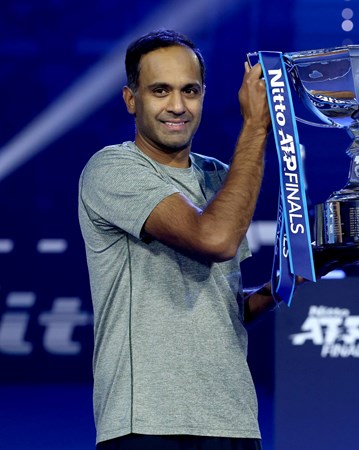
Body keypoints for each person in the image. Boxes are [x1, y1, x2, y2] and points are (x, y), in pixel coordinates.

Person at [78, 29, 275, 449]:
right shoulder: (112, 169)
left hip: (233, 420)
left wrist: (289, 281)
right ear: (132, 100)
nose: (177, 106)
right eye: (160, 90)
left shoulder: (219, 176)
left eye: (190, 90)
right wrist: (257, 126)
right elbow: (215, 239)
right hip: (149, 423)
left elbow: (225, 307)